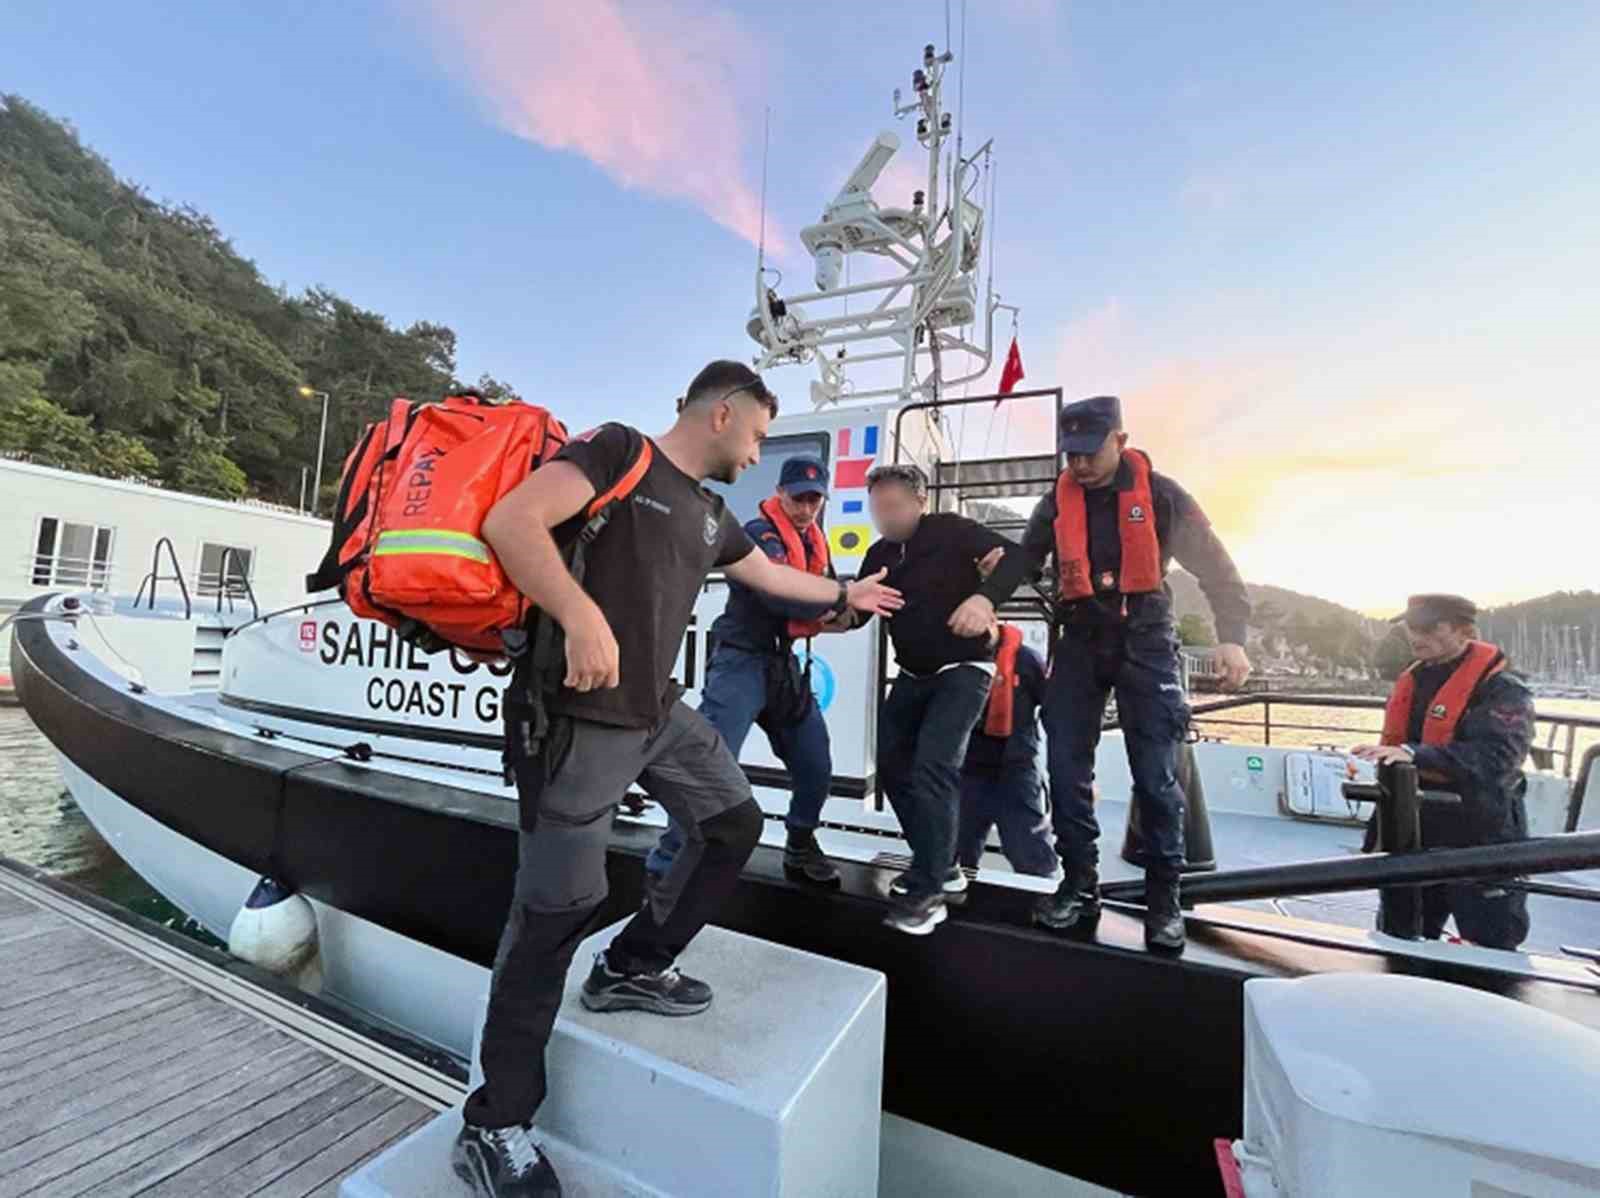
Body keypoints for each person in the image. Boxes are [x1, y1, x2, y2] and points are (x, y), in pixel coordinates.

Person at [456, 361, 902, 1198]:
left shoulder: (709, 513)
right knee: (552, 914)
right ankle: (495, 1122)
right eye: (762, 435)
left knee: (733, 822)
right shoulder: (618, 453)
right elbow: (511, 521)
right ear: (724, 413)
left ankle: (631, 965)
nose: (760, 452)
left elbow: (770, 579)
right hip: (578, 726)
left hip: (656, 715)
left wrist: (849, 590)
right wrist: (581, 615)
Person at [955, 395, 1251, 953]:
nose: (1080, 465)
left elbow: (1216, 566)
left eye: (1091, 452)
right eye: (1071, 455)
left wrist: (1232, 636)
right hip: (1081, 639)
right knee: (1066, 767)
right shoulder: (1058, 501)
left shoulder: (1162, 496)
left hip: (1146, 638)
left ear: (1120, 440)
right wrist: (984, 597)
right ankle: (1079, 884)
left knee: (1158, 776)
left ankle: (1165, 902)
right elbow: (1025, 558)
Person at [645, 454, 847, 888]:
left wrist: (851, 606)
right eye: (799, 498)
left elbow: (825, 601)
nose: (807, 508)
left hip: (783, 666)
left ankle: (800, 842)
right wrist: (845, 601)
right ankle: (665, 870)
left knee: (816, 763)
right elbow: (783, 598)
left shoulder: (816, 542)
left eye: (815, 499)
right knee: (705, 770)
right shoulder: (758, 536)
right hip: (740, 663)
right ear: (779, 494)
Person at [841, 462, 1012, 935]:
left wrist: (984, 600)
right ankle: (942, 864)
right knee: (893, 765)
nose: (886, 516)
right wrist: (839, 611)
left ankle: (931, 891)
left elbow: (1016, 559)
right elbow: (860, 613)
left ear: (920, 501)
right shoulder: (879, 553)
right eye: (878, 508)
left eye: (895, 506)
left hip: (965, 668)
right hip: (914, 674)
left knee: (934, 765)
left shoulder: (952, 531)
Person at [1350, 593, 1535, 950]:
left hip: (1479, 829)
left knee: (1491, 940)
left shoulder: (1503, 689)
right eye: (1410, 626)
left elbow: (1497, 757)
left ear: (1463, 630)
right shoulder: (1415, 679)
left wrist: (1414, 754)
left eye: (1428, 627)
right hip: (1414, 823)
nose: (1415, 634)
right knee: (1400, 932)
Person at [956, 624, 1058, 877]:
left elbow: (1054, 712)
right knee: (956, 851)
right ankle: (957, 902)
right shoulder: (957, 660)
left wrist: (1079, 776)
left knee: (1030, 851)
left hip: (1017, 768)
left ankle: (1041, 902)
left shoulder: (1027, 660)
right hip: (969, 768)